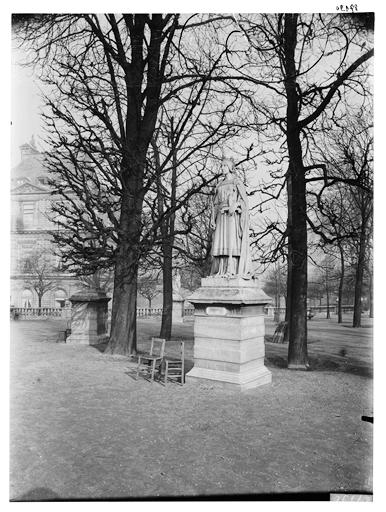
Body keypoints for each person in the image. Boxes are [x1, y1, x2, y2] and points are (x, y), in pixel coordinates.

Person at [210, 157, 251, 278]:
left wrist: (236, 205)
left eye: (224, 166)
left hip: (232, 217)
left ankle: (232, 269)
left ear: (230, 168)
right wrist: (212, 219)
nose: (222, 168)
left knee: (232, 243)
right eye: (221, 166)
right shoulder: (219, 185)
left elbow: (244, 202)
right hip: (221, 218)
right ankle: (221, 270)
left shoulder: (236, 182)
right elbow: (215, 204)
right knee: (219, 242)